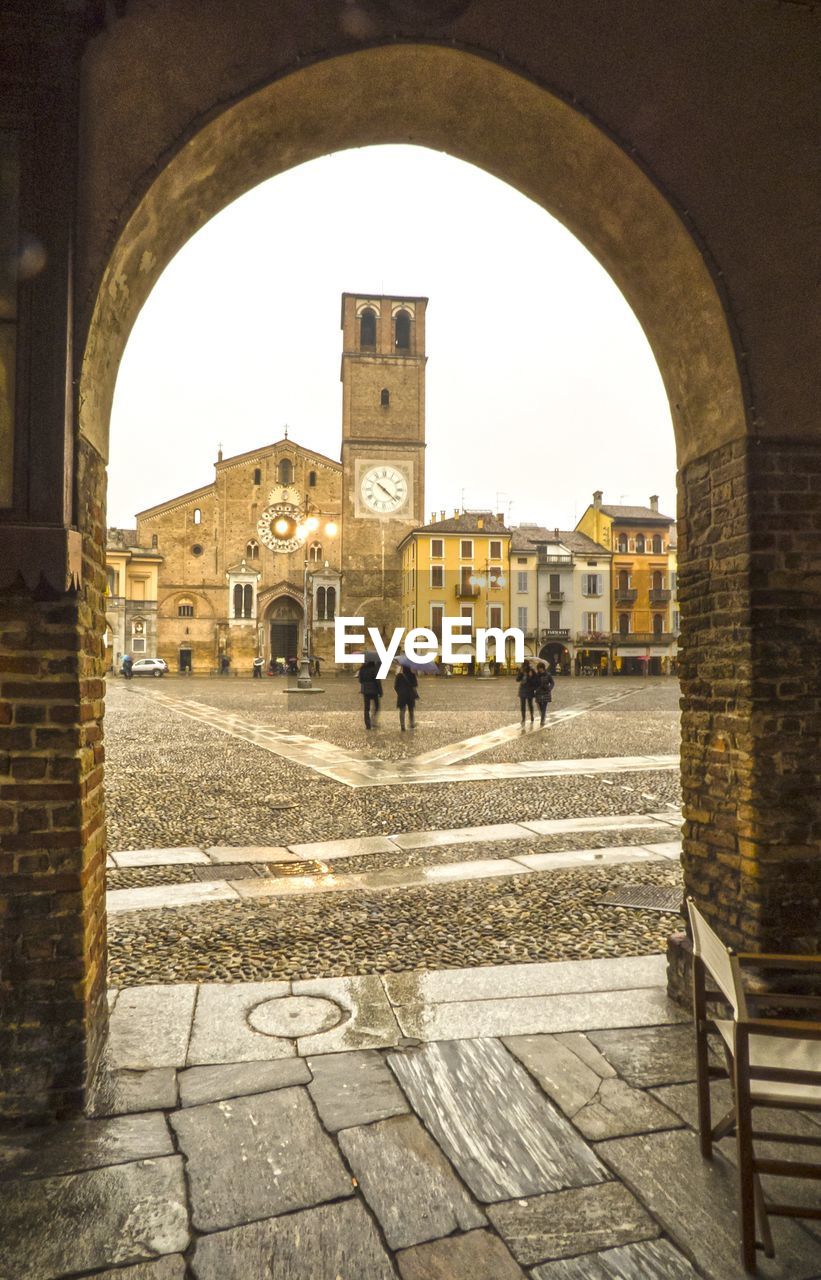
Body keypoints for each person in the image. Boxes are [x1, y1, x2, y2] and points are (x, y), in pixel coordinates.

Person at [358, 654, 382, 729]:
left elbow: (360, 680)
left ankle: (368, 724)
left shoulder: (362, 669)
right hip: (374, 690)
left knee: (366, 708)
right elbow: (378, 681)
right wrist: (380, 691)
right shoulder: (374, 669)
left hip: (365, 690)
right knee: (377, 706)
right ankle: (373, 720)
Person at [394, 663, 419, 730]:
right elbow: (414, 686)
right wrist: (416, 694)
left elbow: (395, 686)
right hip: (410, 695)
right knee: (411, 710)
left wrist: (399, 692)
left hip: (402, 695)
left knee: (402, 710)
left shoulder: (399, 676)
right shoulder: (412, 675)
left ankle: (402, 726)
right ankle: (411, 724)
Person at [515, 659, 538, 725]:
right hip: (522, 690)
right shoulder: (521, 670)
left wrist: (530, 676)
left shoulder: (532, 671)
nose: (524, 666)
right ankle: (523, 718)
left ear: (527, 665)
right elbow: (517, 679)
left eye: (525, 665)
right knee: (523, 705)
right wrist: (521, 674)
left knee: (530, 704)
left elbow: (535, 681)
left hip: (529, 690)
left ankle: (531, 716)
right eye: (523, 665)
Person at [534, 660, 555, 726]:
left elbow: (552, 683)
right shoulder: (536, 675)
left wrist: (550, 688)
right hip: (538, 692)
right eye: (539, 668)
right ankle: (543, 716)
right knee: (540, 707)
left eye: (541, 668)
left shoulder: (548, 675)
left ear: (543, 668)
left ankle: (542, 720)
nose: (540, 669)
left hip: (546, 692)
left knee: (544, 707)